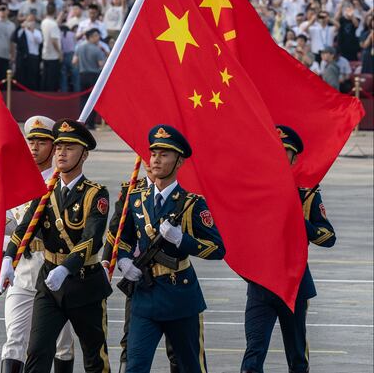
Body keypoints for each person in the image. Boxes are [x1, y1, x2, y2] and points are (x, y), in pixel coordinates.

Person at [0, 119, 111, 373]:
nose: (61, 152)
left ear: (84, 154)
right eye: (59, 146)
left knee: (94, 356)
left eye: (69, 147)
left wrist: (66, 268)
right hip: (48, 284)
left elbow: (91, 239)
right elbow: (23, 229)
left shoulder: (96, 193)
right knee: (37, 351)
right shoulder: (45, 192)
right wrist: (8, 258)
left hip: (83, 282)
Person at [117, 125, 225, 373]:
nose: (155, 159)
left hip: (180, 298)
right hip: (144, 297)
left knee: (190, 367)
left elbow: (218, 248)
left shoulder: (192, 204)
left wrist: (181, 240)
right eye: (154, 153)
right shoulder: (136, 199)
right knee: (135, 366)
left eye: (164, 154)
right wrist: (124, 261)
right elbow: (123, 239)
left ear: (179, 162)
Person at [240, 126, 336, 373]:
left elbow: (327, 237)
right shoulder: (254, 192)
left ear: (295, 159)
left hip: (294, 284)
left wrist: (301, 225)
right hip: (261, 284)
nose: (279, 156)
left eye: (286, 152)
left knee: (297, 357)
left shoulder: (307, 194)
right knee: (253, 355)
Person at [1, 116, 75, 373]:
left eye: (42, 142)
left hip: (54, 267)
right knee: (14, 340)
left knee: (63, 343)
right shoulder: (17, 182)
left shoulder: (62, 182)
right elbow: (11, 223)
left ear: (54, 146)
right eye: (31, 141)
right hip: (23, 269)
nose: (34, 147)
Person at [102, 163, 179, 373]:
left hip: (172, 278)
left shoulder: (180, 193)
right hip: (139, 276)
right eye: (148, 154)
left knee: (178, 346)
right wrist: (109, 261)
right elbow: (116, 230)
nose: (151, 160)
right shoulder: (131, 190)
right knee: (131, 339)